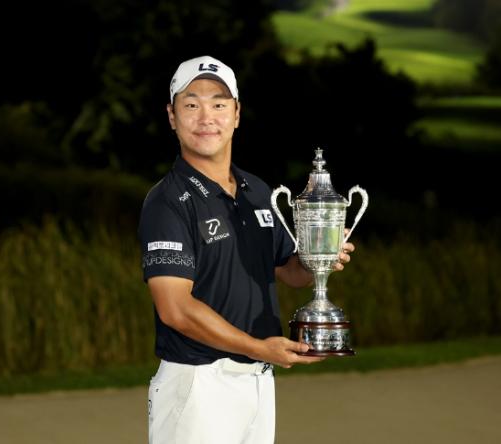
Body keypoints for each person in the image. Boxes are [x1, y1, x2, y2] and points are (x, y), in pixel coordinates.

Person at [138, 55, 355, 444]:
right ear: (172, 116)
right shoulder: (167, 201)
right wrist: (259, 347)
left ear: (236, 114)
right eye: (192, 104)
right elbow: (175, 309)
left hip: (258, 381)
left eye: (219, 104)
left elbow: (290, 271)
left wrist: (321, 253)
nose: (207, 117)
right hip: (198, 384)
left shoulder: (257, 191)